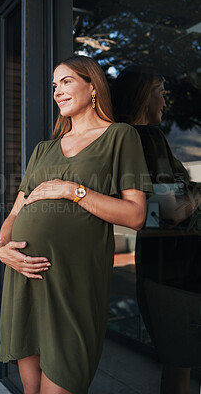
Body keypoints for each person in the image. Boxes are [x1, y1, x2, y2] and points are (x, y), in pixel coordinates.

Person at [0, 56, 152, 394]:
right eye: (54, 86)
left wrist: (73, 191)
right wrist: (2, 250)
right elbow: (13, 215)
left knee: (63, 381)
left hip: (72, 282)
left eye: (65, 82)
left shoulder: (120, 137)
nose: (57, 91)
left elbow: (135, 216)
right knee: (30, 386)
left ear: (93, 86)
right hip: (25, 277)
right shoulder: (43, 150)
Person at [112, 65, 201, 394]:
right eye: (160, 91)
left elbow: (152, 212)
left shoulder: (121, 140)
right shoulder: (146, 138)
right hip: (182, 266)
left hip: (157, 262)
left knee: (176, 361)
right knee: (181, 362)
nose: (165, 101)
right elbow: (172, 212)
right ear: (142, 97)